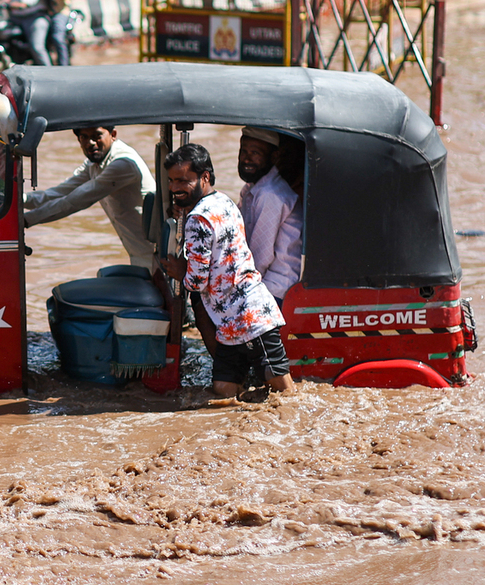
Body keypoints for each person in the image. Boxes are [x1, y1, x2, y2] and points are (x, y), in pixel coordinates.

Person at [161, 144, 294, 397]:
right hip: (241, 315)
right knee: (235, 390)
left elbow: (197, 281)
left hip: (247, 319)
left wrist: (181, 271)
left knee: (267, 390)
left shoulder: (198, 219)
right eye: (171, 181)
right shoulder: (224, 201)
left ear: (205, 177)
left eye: (182, 180)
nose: (174, 187)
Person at [24, 126, 157, 270]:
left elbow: (74, 201)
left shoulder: (123, 164)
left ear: (113, 135)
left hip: (155, 252)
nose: (91, 143)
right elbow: (59, 192)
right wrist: (21, 200)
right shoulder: (94, 163)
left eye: (97, 136)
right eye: (84, 137)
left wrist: (24, 220)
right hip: (138, 252)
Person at [237, 127, 302, 305]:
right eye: (243, 151)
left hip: (274, 289)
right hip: (263, 282)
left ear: (273, 157)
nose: (246, 158)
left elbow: (261, 258)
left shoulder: (270, 194)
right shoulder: (253, 189)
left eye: (255, 153)